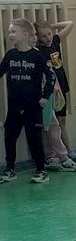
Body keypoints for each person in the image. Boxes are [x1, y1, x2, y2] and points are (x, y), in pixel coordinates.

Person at [0, 18, 56, 184]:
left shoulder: (37, 56)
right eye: (9, 32)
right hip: (14, 105)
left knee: (34, 138)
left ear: (25, 34)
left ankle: (41, 170)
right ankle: (10, 169)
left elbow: (51, 77)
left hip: (32, 106)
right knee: (9, 136)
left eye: (13, 32)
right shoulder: (10, 55)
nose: (10, 35)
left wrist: (45, 97)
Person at [31, 27, 76, 173]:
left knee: (58, 123)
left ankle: (65, 152)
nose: (47, 37)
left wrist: (52, 26)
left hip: (58, 89)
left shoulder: (54, 43)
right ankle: (57, 156)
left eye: (49, 34)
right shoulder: (38, 52)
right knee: (50, 125)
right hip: (47, 93)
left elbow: (70, 24)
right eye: (43, 35)